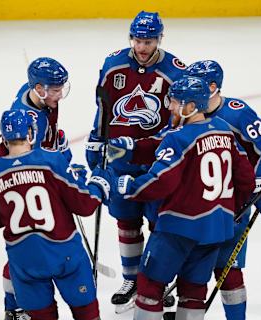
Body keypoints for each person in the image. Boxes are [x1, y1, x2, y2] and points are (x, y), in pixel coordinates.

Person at [108, 60, 261, 320]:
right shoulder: (217, 127)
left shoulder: (234, 114)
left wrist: (130, 187)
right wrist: (135, 148)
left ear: (207, 91)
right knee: (194, 288)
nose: (170, 105)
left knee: (224, 270)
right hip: (219, 215)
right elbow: (167, 141)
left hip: (194, 216)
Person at [84, 10, 186, 309]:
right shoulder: (112, 64)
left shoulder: (175, 71)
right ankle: (131, 278)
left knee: (160, 224)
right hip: (119, 158)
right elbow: (103, 107)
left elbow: (178, 120)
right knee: (126, 220)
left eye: (149, 41)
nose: (142, 48)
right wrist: (96, 138)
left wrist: (143, 147)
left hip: (158, 161)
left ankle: (156, 280)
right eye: (138, 40)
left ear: (159, 39)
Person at [0, 109, 110, 320]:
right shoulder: (51, 161)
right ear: (31, 133)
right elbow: (85, 205)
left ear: (4, 138)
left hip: (25, 259)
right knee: (87, 314)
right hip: (64, 252)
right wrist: (97, 185)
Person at [0, 57, 74, 319]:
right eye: (56, 89)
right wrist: (58, 159)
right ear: (39, 89)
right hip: (21, 183)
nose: (60, 95)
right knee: (24, 249)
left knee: (29, 247)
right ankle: (13, 306)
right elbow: (32, 162)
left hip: (29, 176)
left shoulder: (37, 95)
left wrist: (54, 141)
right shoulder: (32, 121)